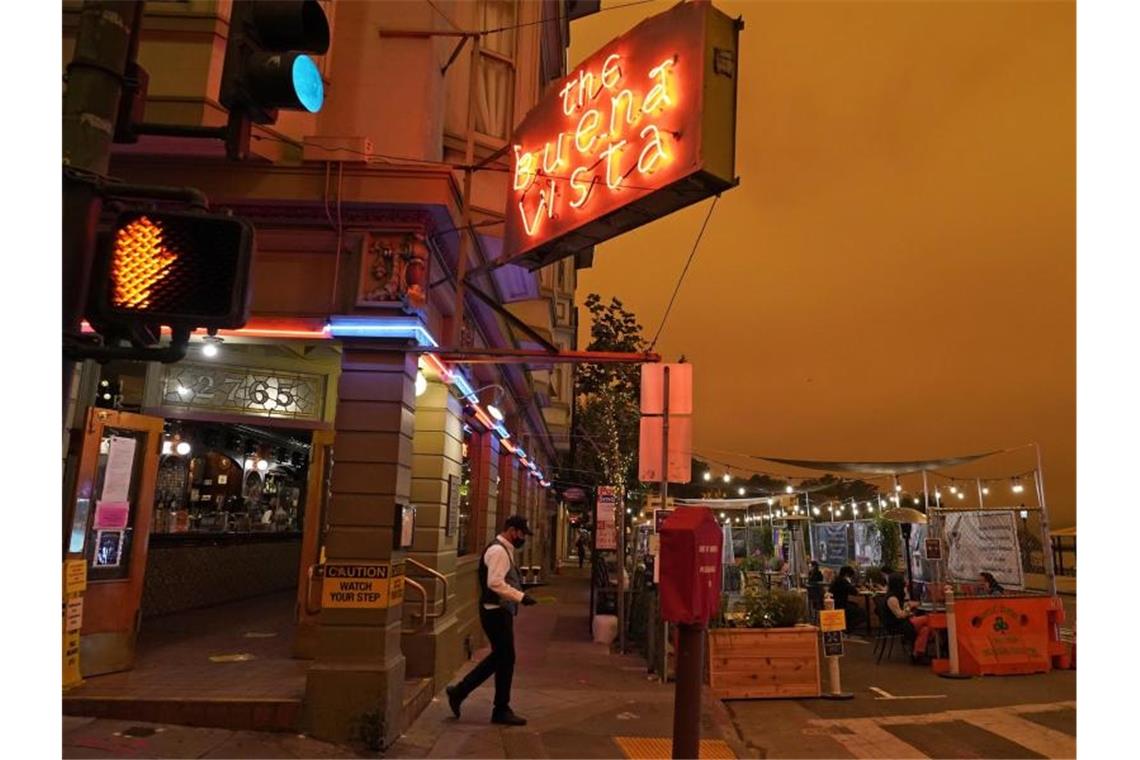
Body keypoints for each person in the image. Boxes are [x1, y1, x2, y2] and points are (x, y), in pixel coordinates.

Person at [446, 515, 538, 726]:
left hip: (498, 610)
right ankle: (497, 707)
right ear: (513, 530)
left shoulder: (504, 550)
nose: (523, 538)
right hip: (495, 611)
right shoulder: (498, 551)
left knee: (502, 658)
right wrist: (520, 597)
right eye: (522, 534)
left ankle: (464, 693)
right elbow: (495, 583)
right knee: (505, 658)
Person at [885, 573, 931, 661]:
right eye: (903, 581)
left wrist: (908, 605)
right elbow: (900, 615)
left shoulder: (894, 596)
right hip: (899, 625)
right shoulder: (892, 598)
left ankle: (917, 654)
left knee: (926, 629)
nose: (905, 582)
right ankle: (941, 642)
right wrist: (909, 608)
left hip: (903, 622)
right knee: (928, 619)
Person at [828, 566, 864, 630]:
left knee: (855, 605)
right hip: (841, 605)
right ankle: (847, 628)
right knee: (863, 613)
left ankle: (846, 626)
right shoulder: (843, 581)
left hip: (835, 604)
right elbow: (854, 592)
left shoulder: (837, 580)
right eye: (851, 576)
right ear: (847, 574)